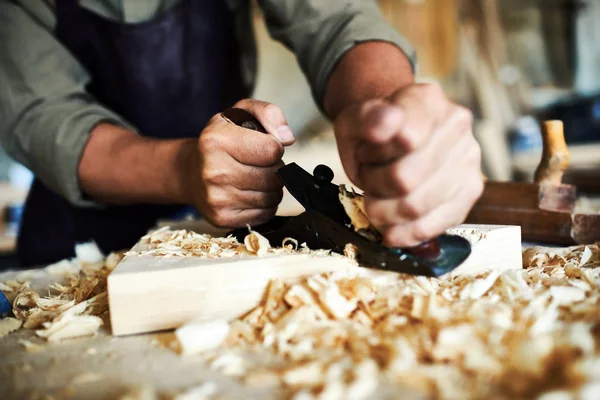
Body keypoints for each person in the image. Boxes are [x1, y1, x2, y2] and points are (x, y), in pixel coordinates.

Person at [0, 0, 483, 267]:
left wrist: (386, 111)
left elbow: (338, 19)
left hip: (233, 232)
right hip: (82, 247)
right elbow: (48, 118)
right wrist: (184, 168)